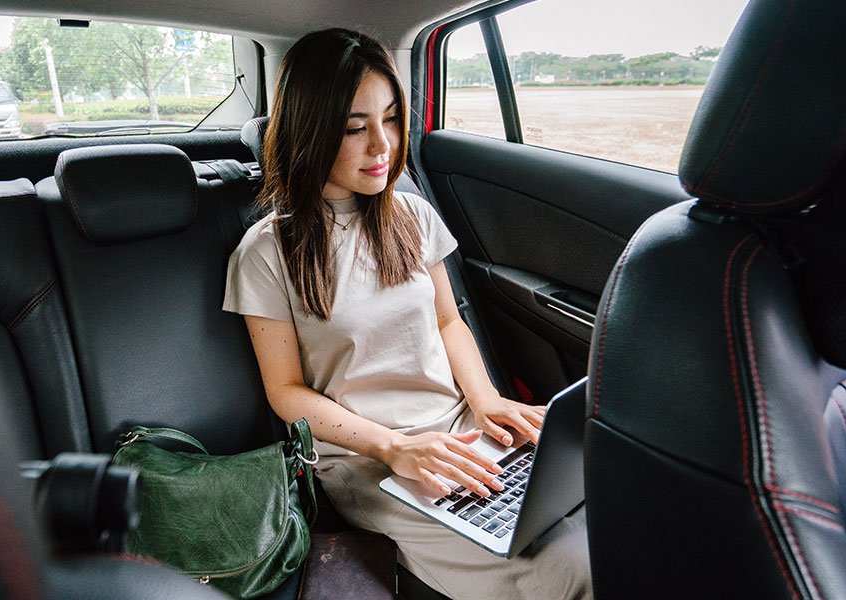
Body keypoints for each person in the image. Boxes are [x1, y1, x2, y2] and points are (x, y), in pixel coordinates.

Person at [223, 28, 592, 599]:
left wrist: (487, 401)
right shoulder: (266, 252)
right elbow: (287, 391)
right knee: (567, 571)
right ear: (309, 131)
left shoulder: (411, 216)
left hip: (461, 429)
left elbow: (448, 322)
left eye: (391, 119)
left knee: (606, 510)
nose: (383, 146)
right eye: (354, 127)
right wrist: (393, 448)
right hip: (366, 461)